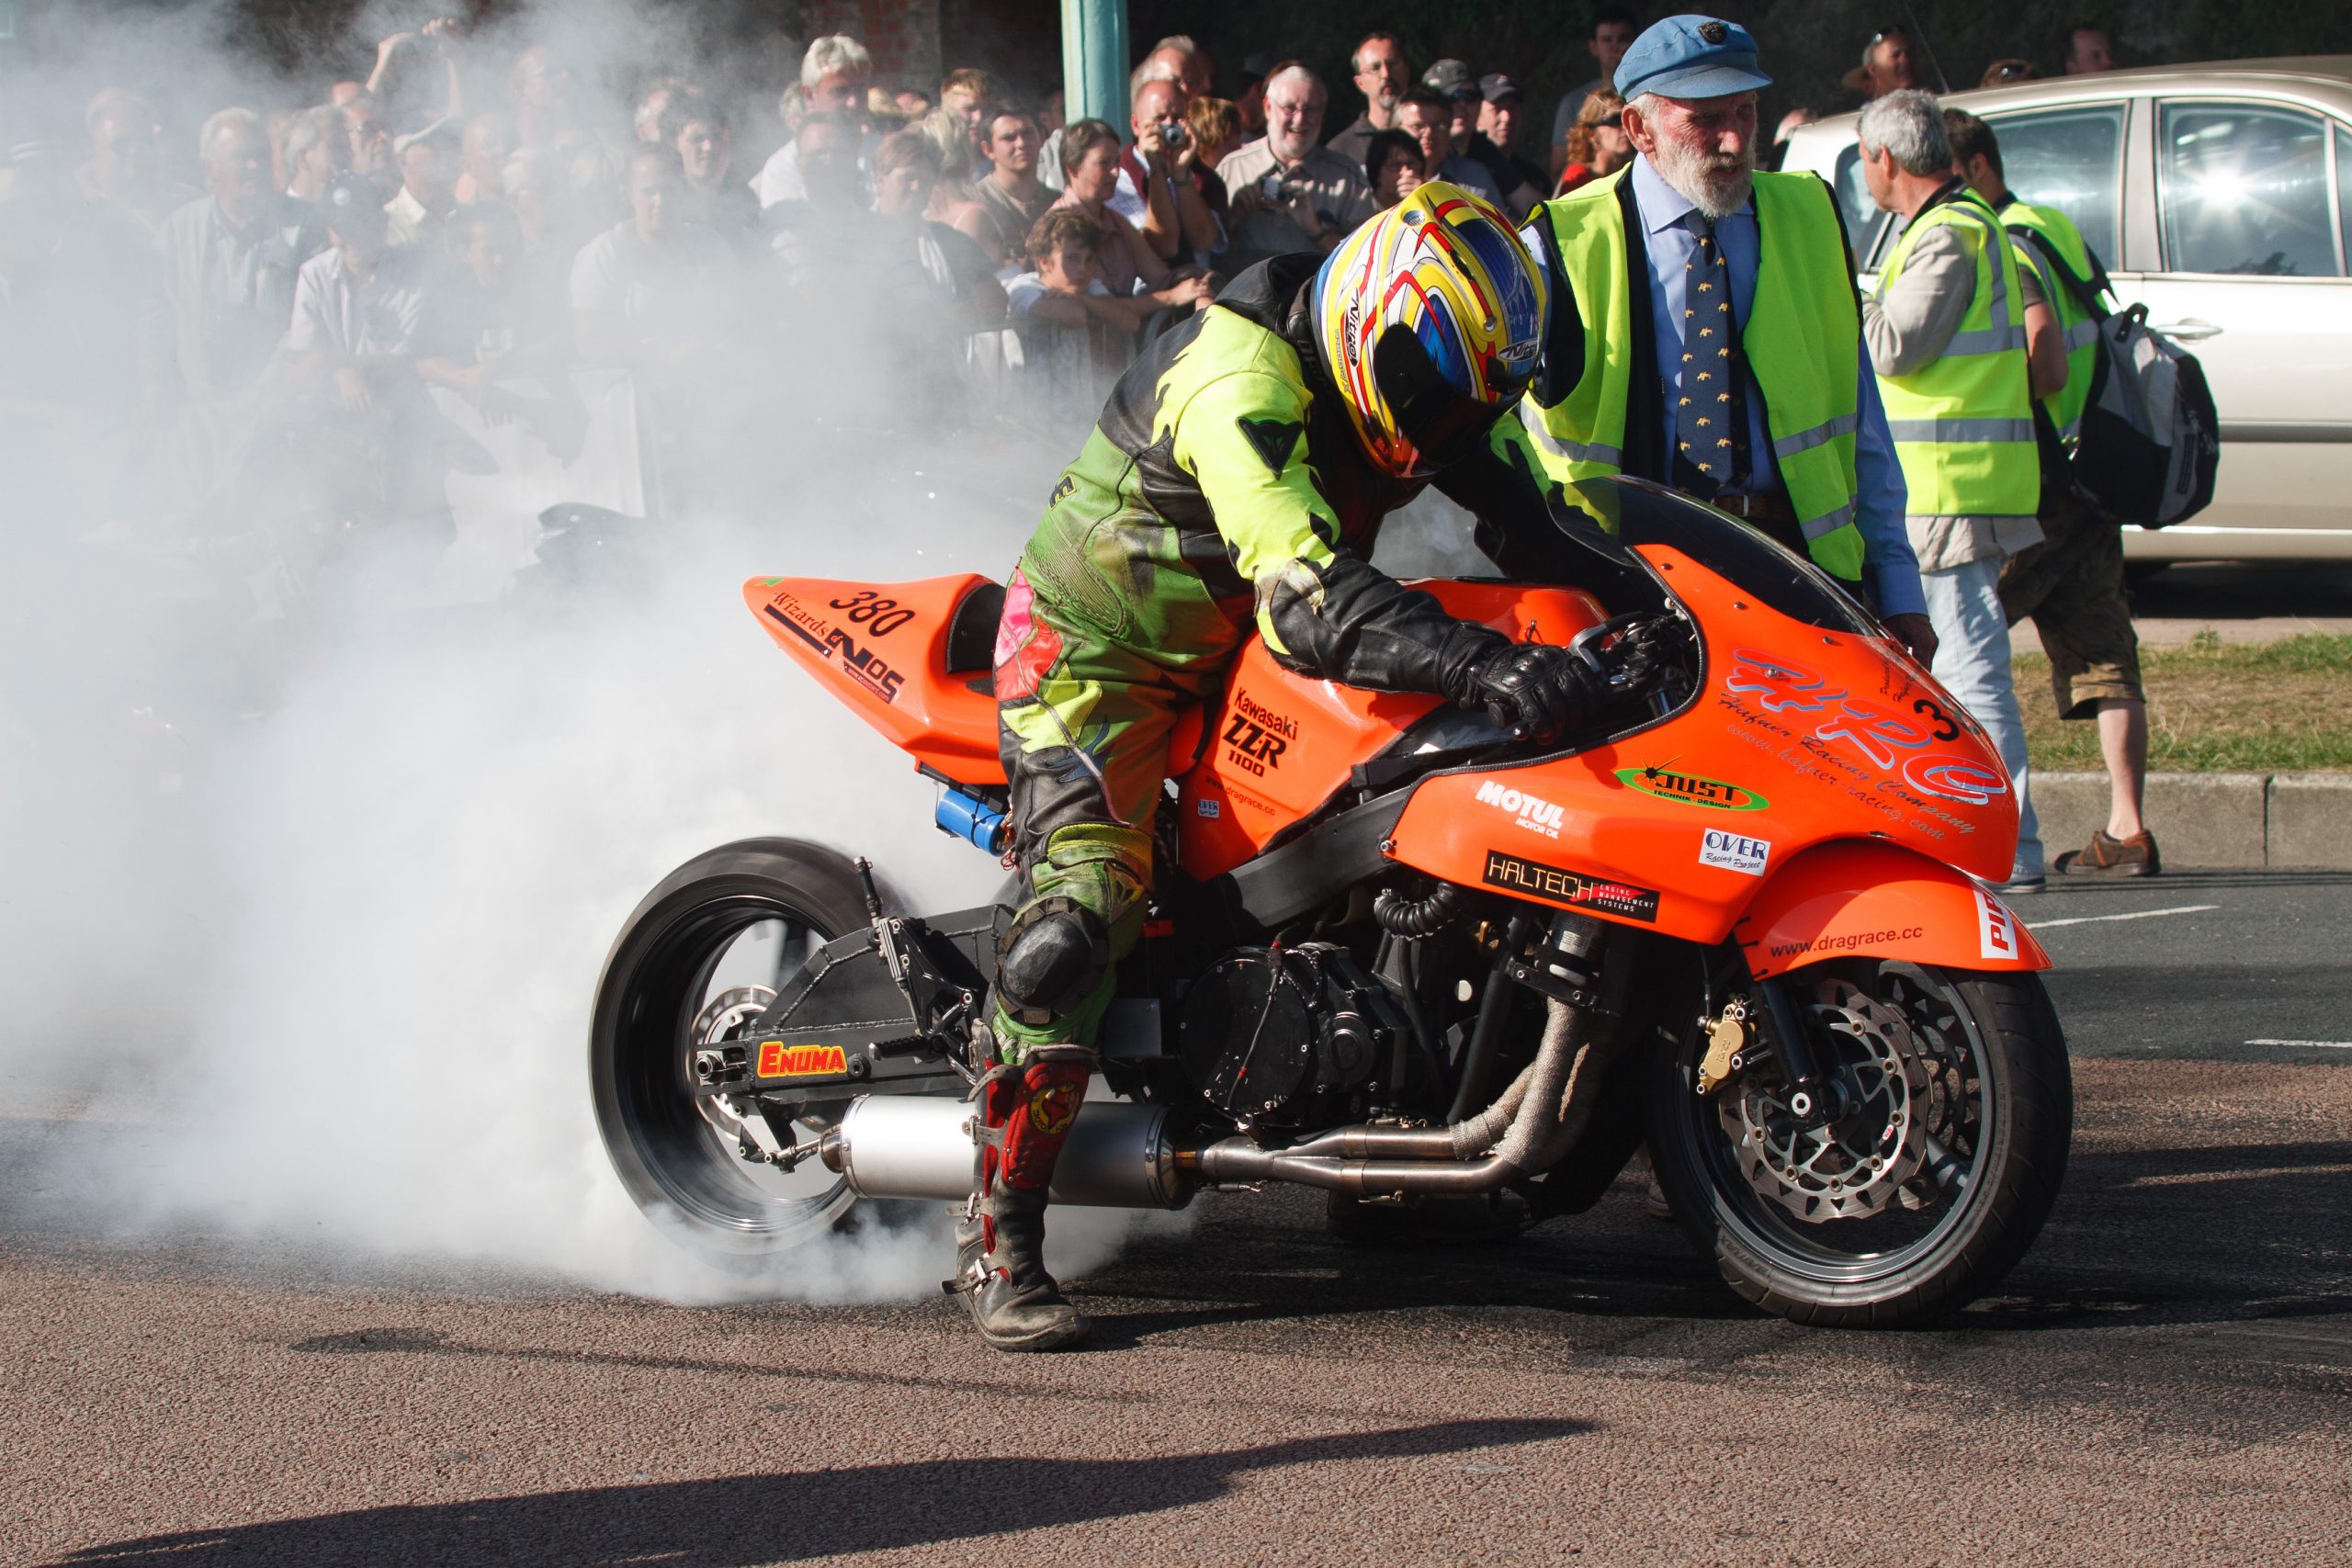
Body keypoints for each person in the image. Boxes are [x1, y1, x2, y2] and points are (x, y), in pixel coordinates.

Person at [959, 182, 1585, 1350]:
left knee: (1419, 822)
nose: (1446, 429)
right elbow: (1308, 598)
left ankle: (1394, 1166)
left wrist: (1648, 595)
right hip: (1101, 661)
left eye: (1465, 405)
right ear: (1369, 338)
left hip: (1237, 648)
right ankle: (1002, 1230)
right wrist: (1482, 661)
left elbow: (1539, 518)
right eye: (1434, 403)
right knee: (1081, 914)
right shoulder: (1238, 380)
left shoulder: (1422, 375)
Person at [1515, 17, 1936, 671]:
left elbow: (1864, 426)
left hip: (1800, 569)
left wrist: (1900, 586)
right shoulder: (1560, 240)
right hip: (1628, 583)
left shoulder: (1809, 214)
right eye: (1704, 119)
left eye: (1745, 110)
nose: (1735, 139)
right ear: (1637, 128)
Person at [1859, 89, 2069, 892]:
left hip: (1951, 487)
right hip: (1952, 485)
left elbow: (1894, 346)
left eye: (1866, 162)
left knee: (1971, 671)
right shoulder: (1958, 225)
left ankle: (2006, 847)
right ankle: (1986, 839)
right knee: (1959, 670)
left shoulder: (1948, 235)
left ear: (1886, 160)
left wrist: (1835, 289)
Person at [1946, 108, 2159, 877]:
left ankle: (1981, 830)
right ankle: (2128, 828)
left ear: (1974, 169)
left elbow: (2045, 349)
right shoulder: (2057, 224)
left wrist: (2017, 403)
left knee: (1956, 653)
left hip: (2037, 481)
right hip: (2092, 474)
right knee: (2107, 656)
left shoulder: (2000, 235)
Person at [150, 108, 326, 402]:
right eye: (242, 157)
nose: (255, 165)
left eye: (261, 155)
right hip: (203, 403)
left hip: (283, 401)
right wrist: (158, 389)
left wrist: (268, 388)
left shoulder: (306, 225)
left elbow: (318, 318)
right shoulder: (179, 231)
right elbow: (157, 318)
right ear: (208, 168)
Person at [571, 148, 741, 369]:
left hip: (712, 386)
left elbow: (740, 315)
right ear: (630, 194)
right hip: (631, 391)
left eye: (669, 190)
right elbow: (589, 343)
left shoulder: (710, 244)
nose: (660, 200)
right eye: (649, 191)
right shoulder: (603, 255)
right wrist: (665, 356)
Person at [1216, 65, 1376, 266]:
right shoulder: (1233, 167)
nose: (1300, 120)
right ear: (1267, 107)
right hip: (1243, 296)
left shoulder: (1347, 176)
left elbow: (1365, 259)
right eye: (1289, 109)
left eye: (1310, 110)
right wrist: (1233, 216)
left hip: (1313, 295)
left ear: (1322, 113)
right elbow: (1205, 248)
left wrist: (1317, 231)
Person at [1050, 119, 1212, 316]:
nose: (1115, 172)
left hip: (1120, 343)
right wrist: (1172, 296)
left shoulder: (1116, 222)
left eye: (1117, 161)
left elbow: (1160, 278)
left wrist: (1199, 280)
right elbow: (1089, 306)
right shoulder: (1056, 228)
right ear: (1073, 168)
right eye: (1104, 163)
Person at [754, 35, 875, 207]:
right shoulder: (784, 168)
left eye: (861, 89)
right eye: (841, 91)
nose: (854, 102)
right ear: (809, 96)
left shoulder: (884, 155)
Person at [1115, 77, 1218, 267]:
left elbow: (1204, 241)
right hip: (1146, 293)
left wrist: (1181, 176)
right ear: (1136, 125)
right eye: (1159, 119)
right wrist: (1157, 171)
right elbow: (1163, 246)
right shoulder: (1116, 180)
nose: (1170, 127)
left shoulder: (1201, 175)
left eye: (1178, 118)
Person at [1552, 6, 1640, 178]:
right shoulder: (1574, 102)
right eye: (1607, 40)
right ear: (1593, 46)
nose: (1616, 46)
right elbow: (1557, 167)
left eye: (1623, 38)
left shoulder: (1650, 93)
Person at [962, 106, 1056, 266]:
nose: (1021, 143)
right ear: (988, 149)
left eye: (1028, 133)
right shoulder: (974, 203)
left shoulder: (1058, 204)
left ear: (1042, 137)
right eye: (1009, 138)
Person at [664, 93, 757, 232]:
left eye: (716, 137)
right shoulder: (665, 200)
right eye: (697, 139)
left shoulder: (744, 199)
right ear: (675, 142)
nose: (708, 147)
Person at [1396, 85, 1502, 207]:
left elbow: (1491, 224)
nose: (1429, 133)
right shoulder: (1375, 175)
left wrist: (1430, 196)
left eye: (1439, 126)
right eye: (1418, 126)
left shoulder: (1474, 177)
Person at [1419, 62, 1508, 204]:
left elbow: (1527, 202)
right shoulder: (1397, 159)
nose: (1461, 104)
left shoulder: (1486, 157)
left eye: (1470, 96)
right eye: (1451, 97)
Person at [1326, 32, 1410, 171]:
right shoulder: (1340, 151)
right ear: (1360, 83)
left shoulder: (1428, 138)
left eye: (1393, 64)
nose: (1386, 74)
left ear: (1407, 70)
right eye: (1375, 68)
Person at [1470, 73, 1547, 212]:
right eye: (1497, 109)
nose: (1507, 117)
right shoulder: (1462, 171)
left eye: (1512, 108)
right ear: (1476, 114)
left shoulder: (1536, 177)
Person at [383, 121, 458, 248]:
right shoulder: (388, 226)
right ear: (404, 162)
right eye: (431, 144)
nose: (445, 151)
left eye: (448, 143)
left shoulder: (469, 216)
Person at [1555, 91, 1628, 194]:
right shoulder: (1579, 175)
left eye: (1627, 118)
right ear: (1591, 134)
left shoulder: (1634, 171)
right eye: (1615, 120)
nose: (1625, 126)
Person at [281, 107, 345, 205]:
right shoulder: (279, 218)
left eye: (344, 146)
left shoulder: (354, 210)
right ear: (303, 159)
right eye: (334, 146)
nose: (345, 155)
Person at [341, 95, 399, 197]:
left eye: (386, 126)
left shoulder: (416, 192)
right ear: (343, 142)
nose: (384, 136)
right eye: (370, 128)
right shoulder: (334, 203)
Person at [1844, 28, 1923, 101]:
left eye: (1909, 53)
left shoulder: (1931, 106)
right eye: (1895, 56)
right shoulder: (1872, 116)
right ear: (1873, 70)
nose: (1906, 61)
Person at [455, 112, 510, 205]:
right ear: (468, 166)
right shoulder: (467, 218)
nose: (502, 149)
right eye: (489, 144)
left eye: (507, 140)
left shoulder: (538, 207)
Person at [1364, 128, 1424, 209]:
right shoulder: (1361, 210)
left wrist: (1424, 197)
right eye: (1396, 165)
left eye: (1412, 163)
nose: (1407, 171)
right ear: (1376, 172)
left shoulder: (1426, 201)